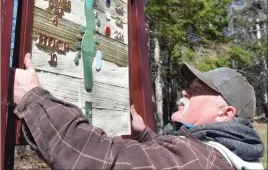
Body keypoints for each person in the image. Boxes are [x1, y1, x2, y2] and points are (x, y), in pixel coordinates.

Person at [12, 53, 264, 170]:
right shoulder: (225, 158)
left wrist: (33, 98)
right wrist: (145, 136)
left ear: (225, 114)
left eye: (197, 91)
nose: (186, 92)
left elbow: (98, 159)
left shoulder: (200, 161)